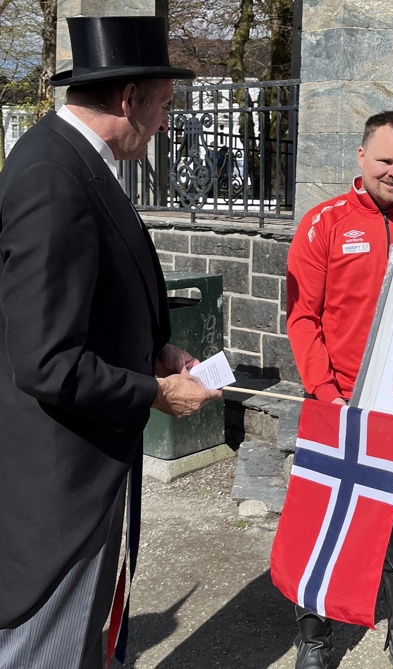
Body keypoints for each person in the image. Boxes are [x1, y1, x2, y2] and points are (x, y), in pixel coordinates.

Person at [0, 16, 221, 669]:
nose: (164, 121)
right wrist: (153, 390)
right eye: (163, 104)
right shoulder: (52, 176)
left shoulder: (76, 161)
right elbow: (46, 360)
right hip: (60, 489)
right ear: (129, 99)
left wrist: (155, 347)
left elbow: (92, 294)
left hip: (89, 471)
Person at [286, 110, 393, 669]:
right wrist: (324, 390)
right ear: (361, 158)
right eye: (385, 160)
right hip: (338, 402)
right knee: (325, 526)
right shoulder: (323, 222)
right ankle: (314, 640)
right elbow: (302, 316)